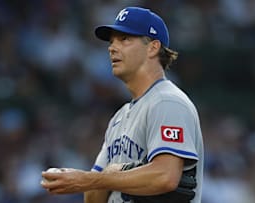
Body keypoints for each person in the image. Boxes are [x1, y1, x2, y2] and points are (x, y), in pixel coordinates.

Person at [41, 6, 204, 203]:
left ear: (153, 47)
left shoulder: (167, 101)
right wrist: (107, 176)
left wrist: (97, 178)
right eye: (111, 41)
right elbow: (92, 198)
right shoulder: (118, 118)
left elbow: (166, 176)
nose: (112, 47)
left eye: (125, 39)